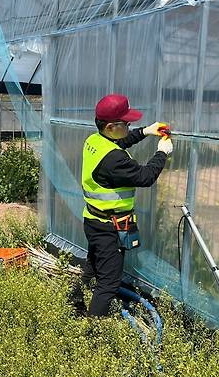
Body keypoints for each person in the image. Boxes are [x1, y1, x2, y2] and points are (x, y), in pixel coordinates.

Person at [72, 93, 173, 317]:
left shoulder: (95, 140)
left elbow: (120, 142)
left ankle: (74, 303)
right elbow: (145, 177)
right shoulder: (114, 160)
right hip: (109, 228)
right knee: (108, 283)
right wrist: (162, 153)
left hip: (93, 220)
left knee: (93, 264)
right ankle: (94, 329)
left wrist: (146, 131)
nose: (130, 126)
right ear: (110, 126)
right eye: (126, 123)